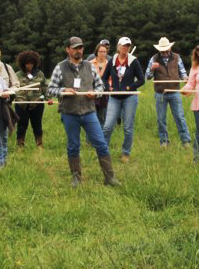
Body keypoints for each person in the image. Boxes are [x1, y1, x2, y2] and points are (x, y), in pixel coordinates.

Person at [47, 36, 120, 187]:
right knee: (73, 145)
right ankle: (76, 178)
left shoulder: (90, 66)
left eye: (80, 48)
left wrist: (95, 92)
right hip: (69, 113)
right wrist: (63, 90)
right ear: (68, 50)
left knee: (101, 144)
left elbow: (101, 87)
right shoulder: (60, 68)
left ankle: (110, 178)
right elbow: (50, 90)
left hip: (89, 112)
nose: (78, 50)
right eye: (75, 48)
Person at [101, 37, 145, 163]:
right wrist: (108, 87)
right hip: (114, 97)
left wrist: (129, 87)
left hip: (129, 98)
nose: (125, 48)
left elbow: (142, 80)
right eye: (123, 45)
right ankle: (103, 152)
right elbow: (104, 77)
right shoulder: (112, 60)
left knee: (127, 127)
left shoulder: (133, 61)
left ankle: (126, 153)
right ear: (118, 46)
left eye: (128, 46)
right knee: (108, 126)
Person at [145, 37, 191, 148]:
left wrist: (185, 78)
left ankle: (185, 141)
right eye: (163, 51)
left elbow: (182, 72)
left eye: (166, 50)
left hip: (175, 91)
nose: (165, 53)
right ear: (159, 50)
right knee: (161, 119)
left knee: (179, 117)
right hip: (160, 93)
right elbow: (147, 77)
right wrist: (151, 69)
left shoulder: (177, 57)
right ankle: (164, 142)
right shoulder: (154, 58)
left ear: (170, 48)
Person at [15, 50, 52, 148]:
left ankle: (39, 145)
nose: (29, 65)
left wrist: (48, 98)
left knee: (37, 124)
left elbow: (45, 87)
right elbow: (13, 88)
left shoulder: (40, 74)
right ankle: (20, 145)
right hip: (21, 105)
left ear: (35, 63)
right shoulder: (17, 75)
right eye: (27, 63)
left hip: (37, 103)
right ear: (23, 63)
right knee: (22, 125)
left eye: (31, 63)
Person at [91, 42, 110, 127]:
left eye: (104, 52)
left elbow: (112, 80)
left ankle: (101, 138)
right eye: (100, 51)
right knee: (92, 118)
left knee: (102, 118)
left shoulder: (110, 65)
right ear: (96, 52)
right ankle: (90, 140)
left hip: (105, 95)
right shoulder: (89, 64)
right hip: (92, 93)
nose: (102, 54)